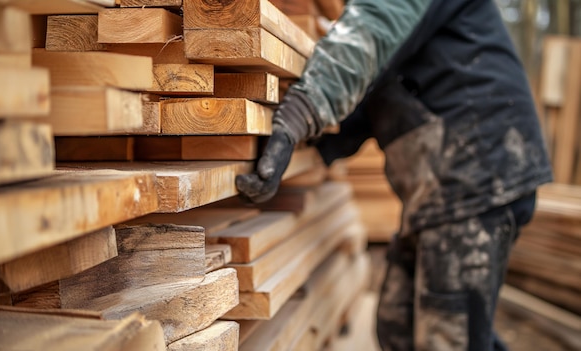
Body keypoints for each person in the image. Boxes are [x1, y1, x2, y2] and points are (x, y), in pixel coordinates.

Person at [235, 0, 553, 350]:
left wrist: (298, 114)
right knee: (397, 325)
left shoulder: (381, 17)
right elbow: (365, 102)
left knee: (448, 339)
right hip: (439, 194)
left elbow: (372, 26)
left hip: (481, 178)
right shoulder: (393, 39)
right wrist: (283, 151)